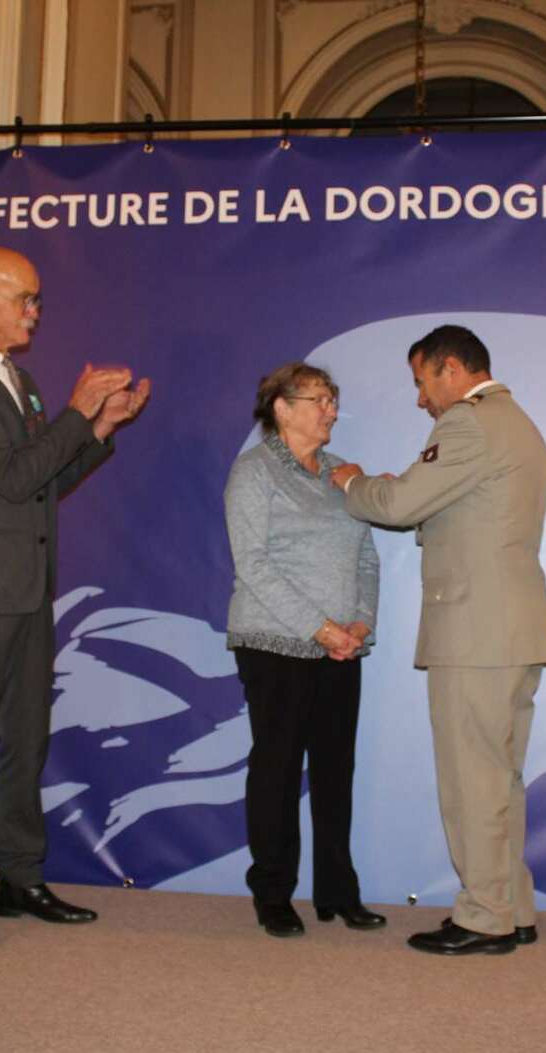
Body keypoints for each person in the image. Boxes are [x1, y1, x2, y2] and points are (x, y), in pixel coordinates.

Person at [0, 245, 151, 947]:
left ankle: (20, 878)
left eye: (37, 299)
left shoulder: (16, 379)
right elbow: (16, 477)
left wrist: (99, 427)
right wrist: (77, 412)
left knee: (27, 740)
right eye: (24, 299)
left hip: (25, 591)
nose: (35, 312)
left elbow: (44, 482)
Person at [331, 324, 546, 956]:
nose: (420, 398)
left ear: (451, 369)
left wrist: (352, 481)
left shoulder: (468, 423)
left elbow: (398, 504)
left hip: (476, 633)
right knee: (500, 781)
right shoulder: (518, 423)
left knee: (473, 782)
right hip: (512, 629)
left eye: (422, 380)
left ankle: (484, 917)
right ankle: (511, 907)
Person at [223, 362, 385, 938]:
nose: (331, 410)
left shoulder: (344, 474)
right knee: (278, 770)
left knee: (336, 770)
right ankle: (272, 893)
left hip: (341, 648)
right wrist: (320, 628)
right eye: (319, 399)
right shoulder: (254, 471)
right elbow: (253, 565)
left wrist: (360, 623)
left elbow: (366, 558)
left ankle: (338, 892)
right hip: (274, 643)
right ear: (282, 408)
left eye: (333, 400)